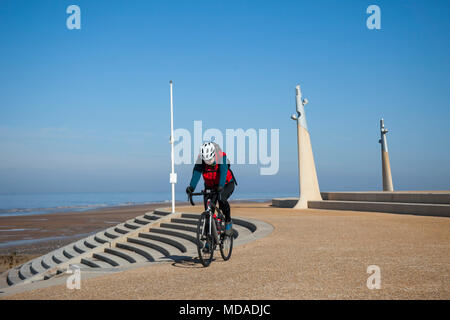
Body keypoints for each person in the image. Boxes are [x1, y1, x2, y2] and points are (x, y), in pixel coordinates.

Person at [186, 141, 236, 236]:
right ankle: (209, 241)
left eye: (210, 160)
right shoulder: (201, 160)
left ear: (213, 154)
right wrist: (191, 187)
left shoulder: (221, 157)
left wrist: (221, 186)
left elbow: (223, 171)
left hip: (226, 183)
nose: (208, 162)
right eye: (206, 160)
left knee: (222, 199)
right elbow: (196, 173)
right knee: (208, 213)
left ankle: (228, 221)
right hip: (210, 186)